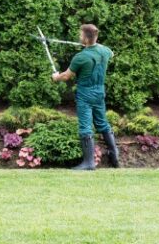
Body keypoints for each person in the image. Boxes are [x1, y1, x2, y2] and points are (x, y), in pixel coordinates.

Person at [51, 24, 119, 170]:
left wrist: (56, 77)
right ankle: (114, 154)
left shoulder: (80, 57)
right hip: (99, 92)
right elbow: (111, 52)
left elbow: (67, 76)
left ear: (86, 38)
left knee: (85, 126)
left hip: (85, 94)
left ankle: (89, 163)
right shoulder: (105, 51)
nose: (79, 37)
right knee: (102, 123)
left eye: (80, 35)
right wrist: (95, 45)